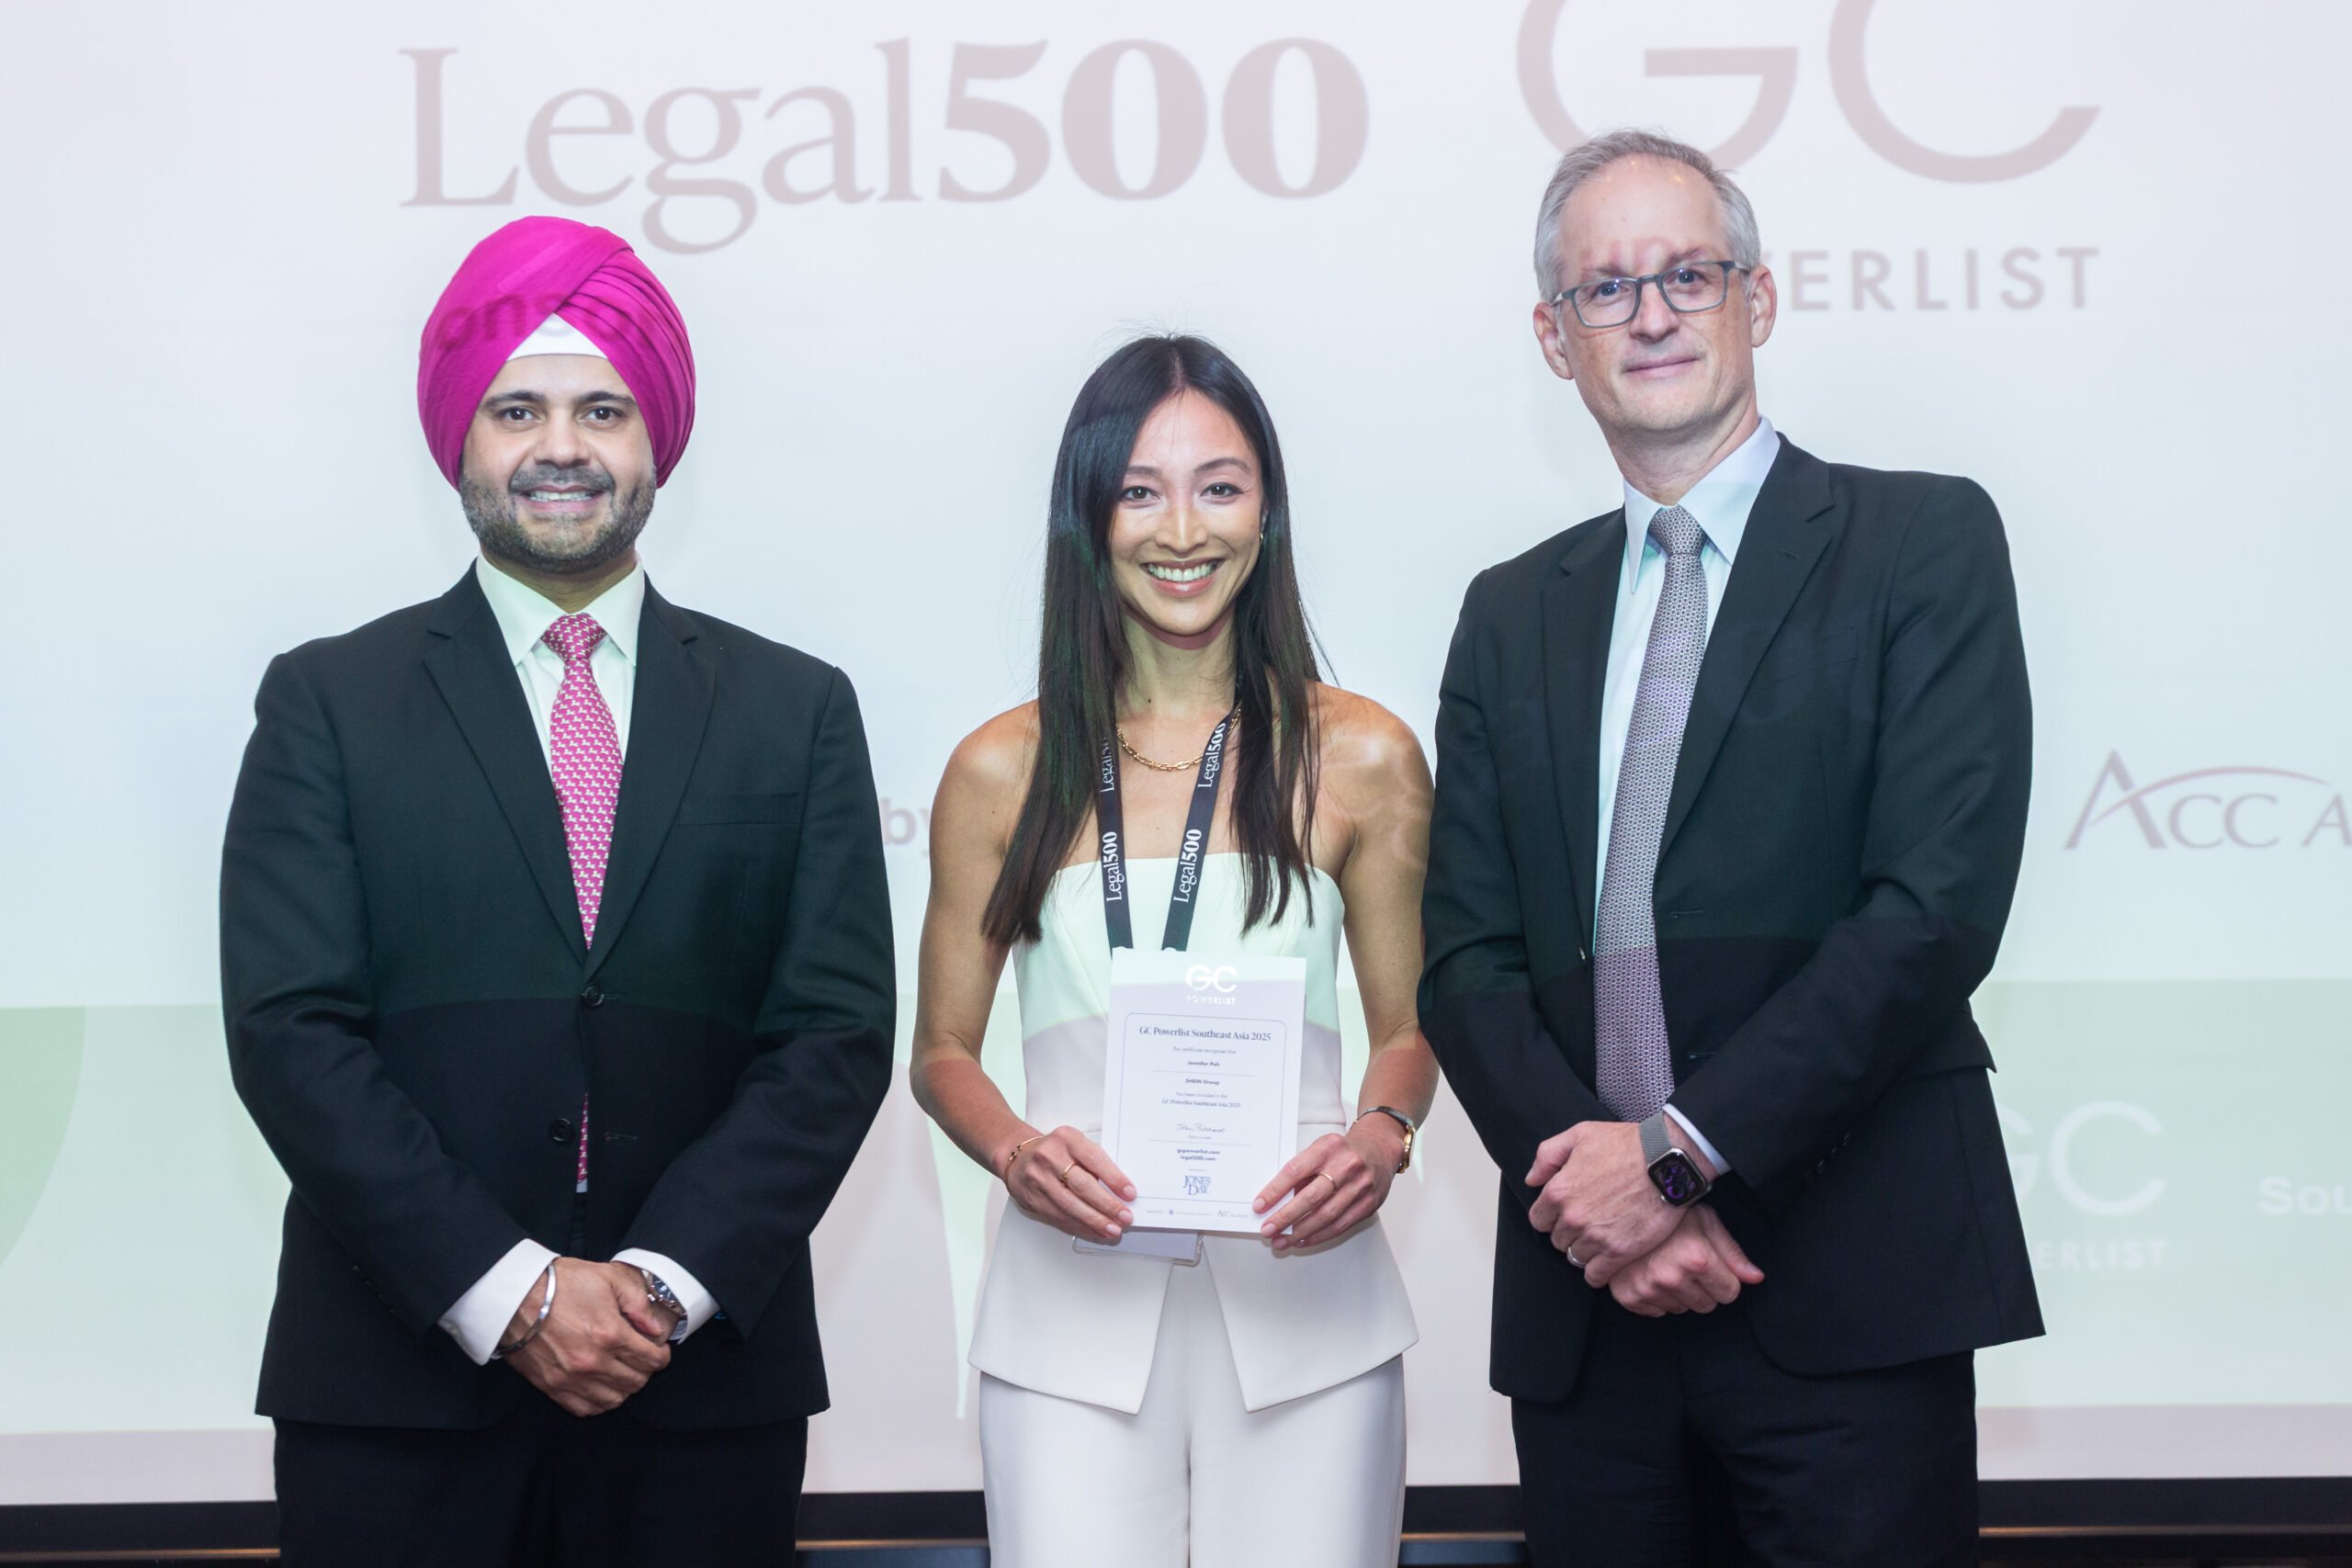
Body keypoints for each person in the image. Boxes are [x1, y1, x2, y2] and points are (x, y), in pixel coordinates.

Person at [220, 215, 894, 1567]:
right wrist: (512, 1291)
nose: (562, 447)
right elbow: (291, 1033)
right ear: (460, 439)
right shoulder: (327, 701)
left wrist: (657, 1286)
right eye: (517, 409)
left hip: (696, 1394)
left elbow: (832, 1036)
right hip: (399, 1394)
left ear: (658, 440)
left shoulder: (796, 708)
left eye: (603, 409)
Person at [1419, 130, 2043, 1566]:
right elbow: (1465, 960)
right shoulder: (1509, 611)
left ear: (1757, 298)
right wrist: (1605, 1205)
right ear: (1554, 336)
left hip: (1848, 1290)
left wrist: (1677, 1163)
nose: (1649, 314)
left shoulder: (1921, 539)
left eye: (1687, 275)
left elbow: (1932, 907)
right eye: (1605, 288)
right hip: (1593, 1317)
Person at [910, 335, 1434, 1568]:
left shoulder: (1363, 753)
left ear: (1268, 509)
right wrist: (1015, 1151)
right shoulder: (1000, 767)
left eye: (1220, 486)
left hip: (1309, 1304)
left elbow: (1411, 1031)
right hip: (1067, 1313)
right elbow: (940, 1052)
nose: (1182, 530)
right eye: (1141, 490)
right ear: (1088, 514)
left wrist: (1379, 1139)